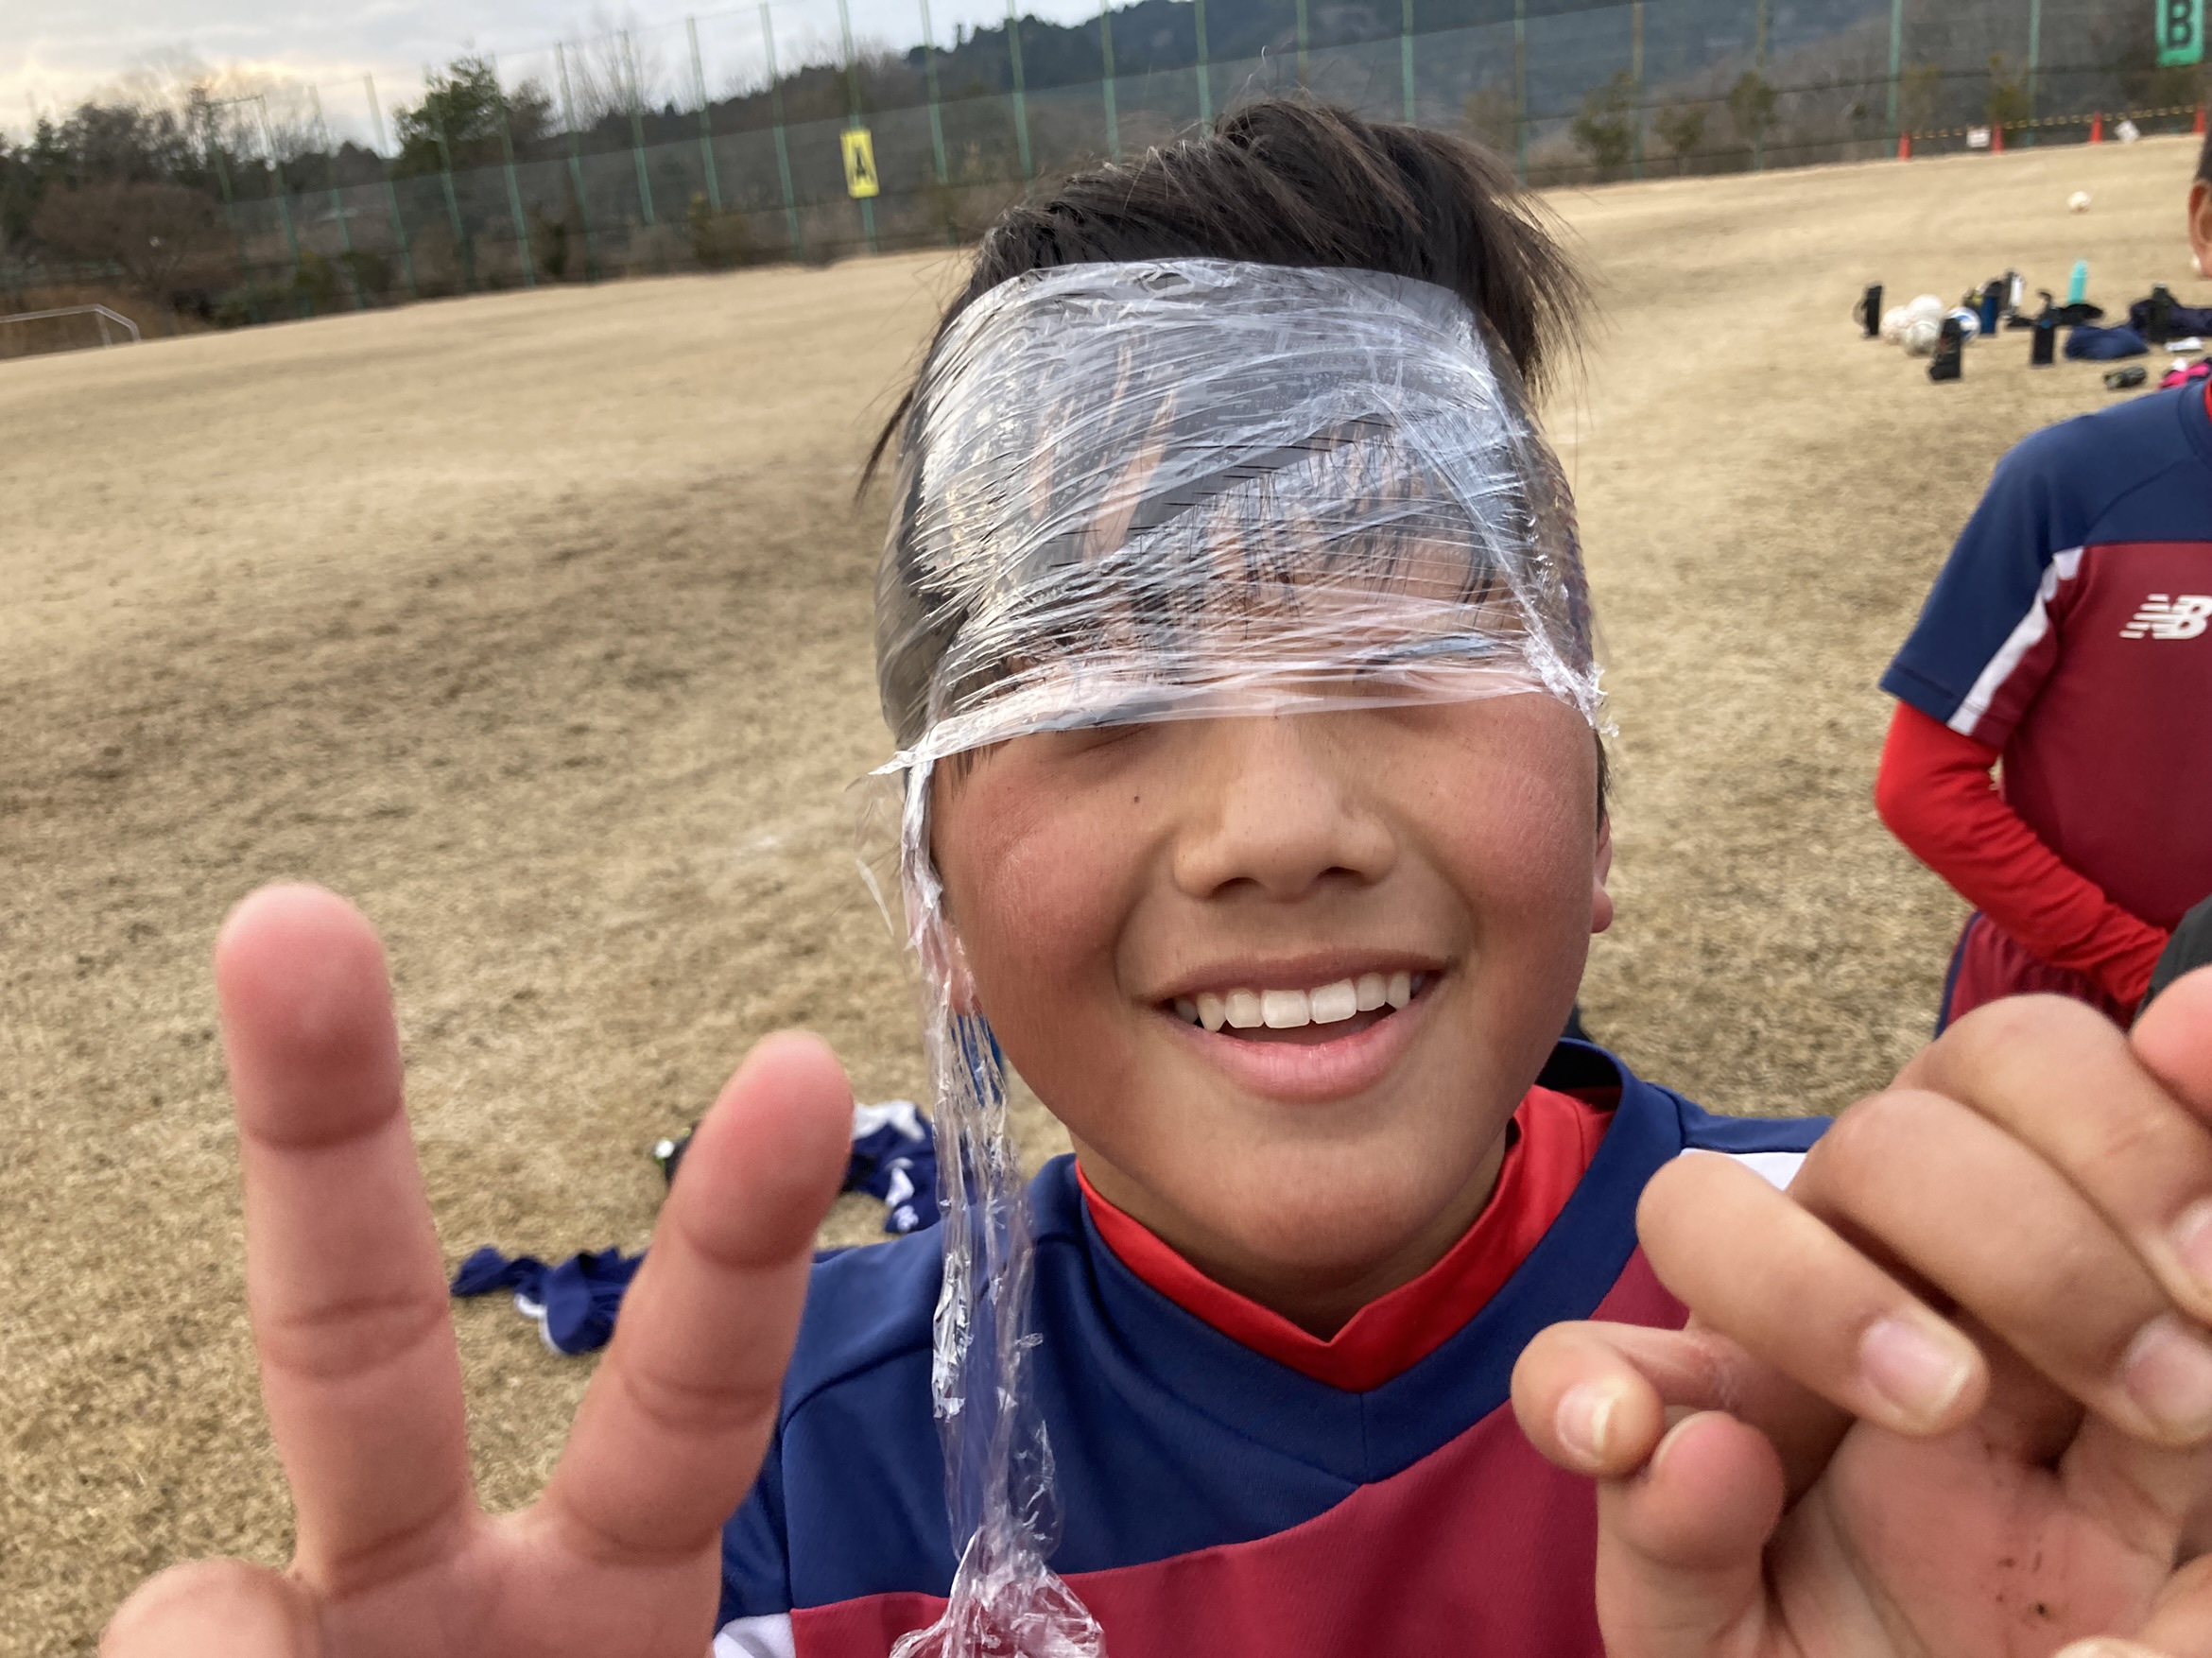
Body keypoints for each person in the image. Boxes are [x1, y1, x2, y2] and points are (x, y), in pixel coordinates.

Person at [104, 102, 2212, 1658]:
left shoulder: (1915, 1366)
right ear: (930, 880)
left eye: (1408, 658)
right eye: (1101, 693)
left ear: (1599, 795)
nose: (1275, 821)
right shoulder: (767, 1500)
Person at [1875, 126, 2212, 1030]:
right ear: (2207, 228)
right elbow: (1922, 787)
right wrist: (2151, 971)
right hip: (2070, 1022)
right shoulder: (2076, 485)